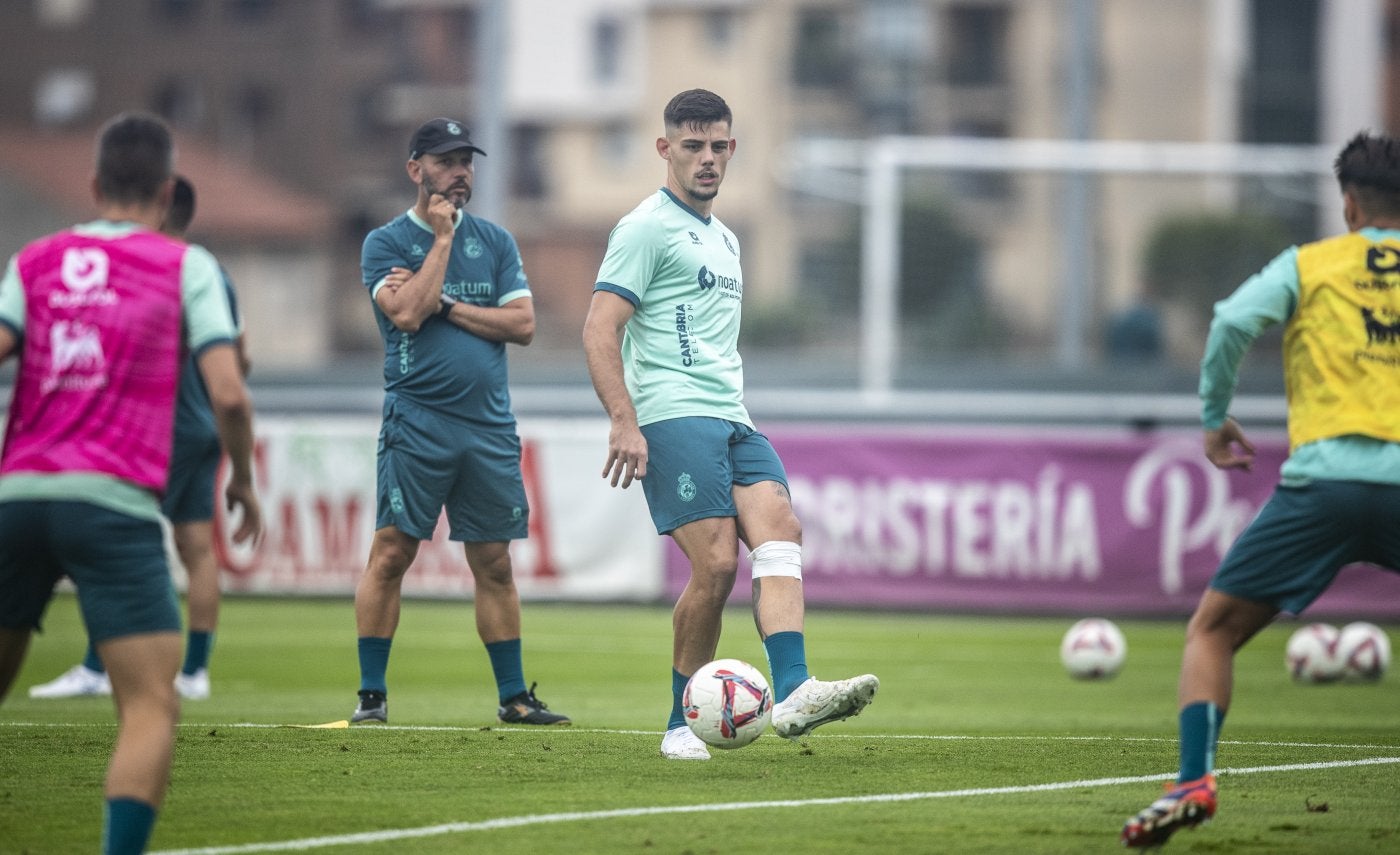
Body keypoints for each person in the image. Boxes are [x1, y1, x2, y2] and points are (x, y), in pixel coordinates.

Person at [1120, 131, 1400, 847]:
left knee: (1212, 630)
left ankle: (1192, 782)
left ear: (1347, 203)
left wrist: (1214, 421)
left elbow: (1233, 320)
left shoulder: (1310, 264)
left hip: (1323, 487)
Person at [581, 89, 879, 761]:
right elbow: (600, 329)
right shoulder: (645, 228)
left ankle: (796, 685)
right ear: (665, 150)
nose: (707, 158)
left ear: (732, 149)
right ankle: (677, 724)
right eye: (692, 146)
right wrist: (624, 421)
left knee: (781, 529)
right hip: (671, 410)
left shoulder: (727, 238)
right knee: (715, 564)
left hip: (731, 414)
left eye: (718, 146)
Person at [0, 112, 261, 855]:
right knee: (149, 707)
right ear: (169, 189)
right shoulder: (186, 265)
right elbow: (232, 392)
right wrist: (241, 480)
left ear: (92, 186)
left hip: (17, 497)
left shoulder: (35, 260)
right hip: (111, 503)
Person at [350, 117, 569, 727]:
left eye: (466, 161)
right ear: (415, 169)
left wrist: (447, 303)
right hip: (416, 422)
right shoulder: (386, 242)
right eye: (446, 161)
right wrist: (441, 246)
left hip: (488, 428)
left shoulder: (496, 242)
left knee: (494, 562)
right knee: (392, 553)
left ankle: (514, 698)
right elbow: (409, 317)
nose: (460, 172)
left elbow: (523, 325)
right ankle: (372, 696)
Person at [27, 174, 249, 703]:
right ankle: (194, 672)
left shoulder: (151, 268)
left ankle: (95, 666)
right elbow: (240, 360)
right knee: (196, 547)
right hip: (203, 424)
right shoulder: (214, 274)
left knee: (112, 539)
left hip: (153, 426)